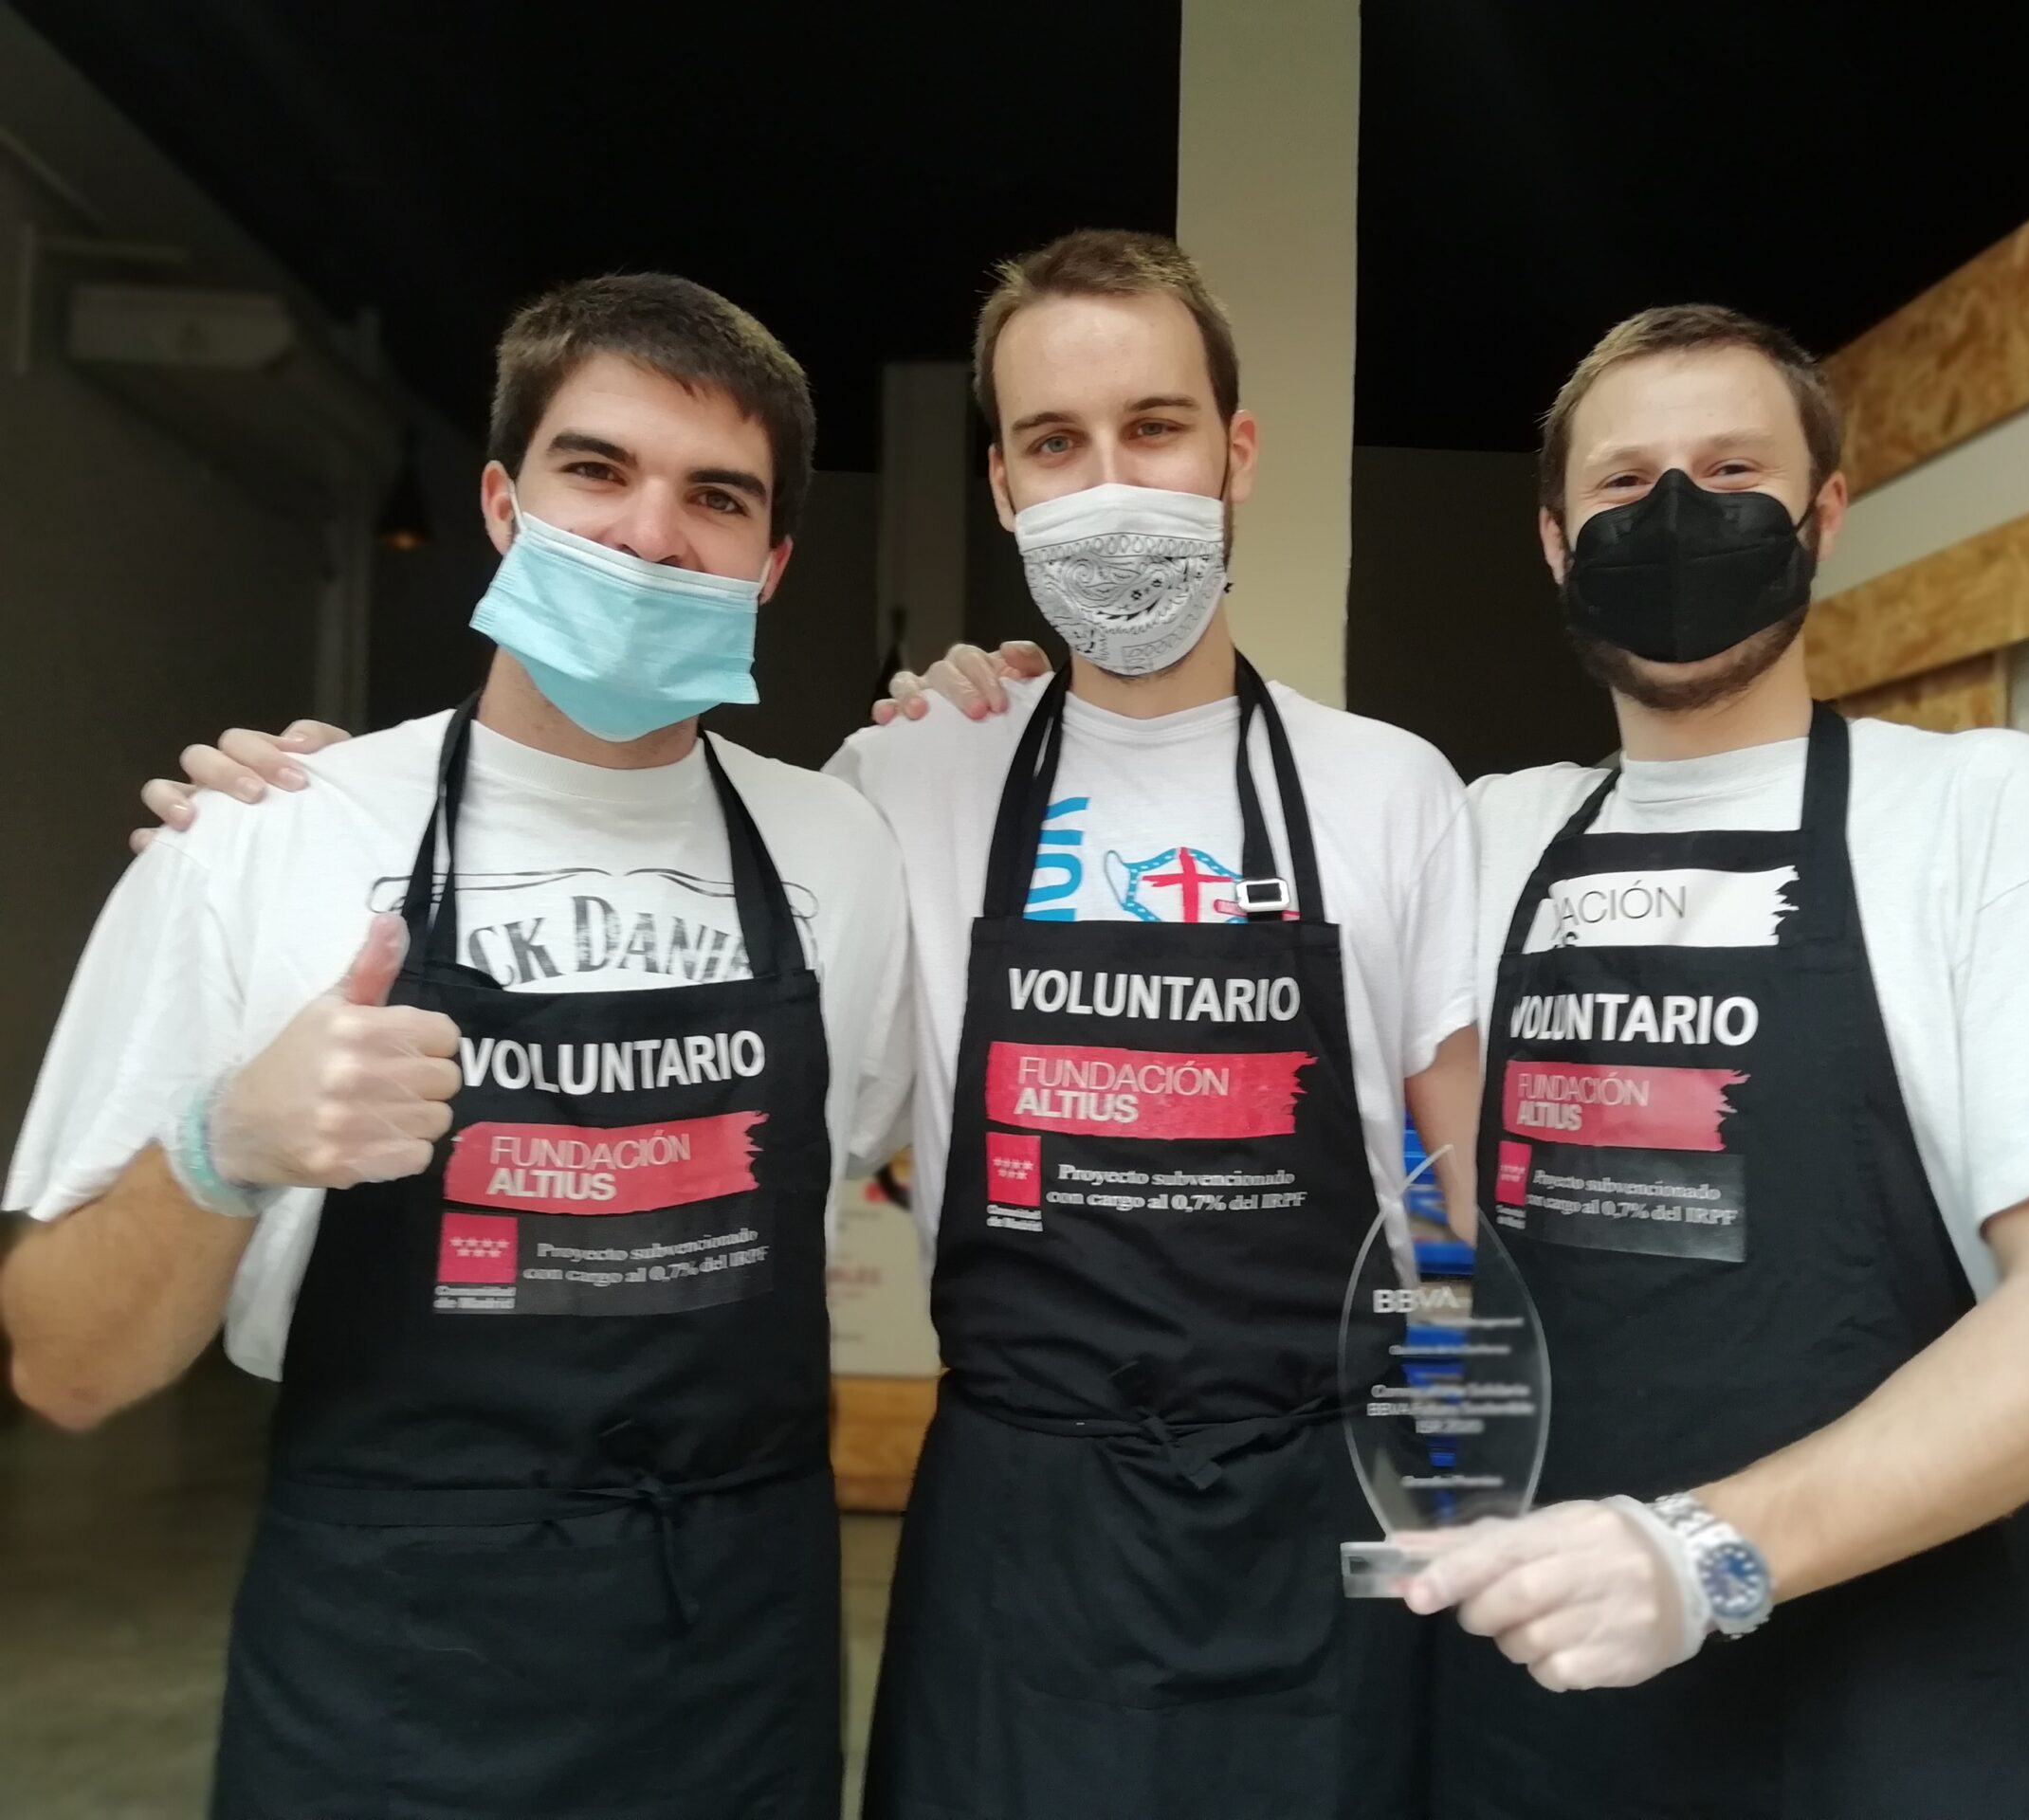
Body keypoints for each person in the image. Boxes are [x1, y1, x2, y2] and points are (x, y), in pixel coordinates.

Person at [127, 230, 1481, 1820]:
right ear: (1003, 488)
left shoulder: (1392, 789)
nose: (1110, 483)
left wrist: (1469, 1505)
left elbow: (1464, 1214)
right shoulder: (902, 783)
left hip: (1318, 1511)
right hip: (1019, 1525)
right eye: (1056, 442)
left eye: (1156, 428)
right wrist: (307, 807)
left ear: (1235, 453)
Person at [879, 302, 2029, 1818]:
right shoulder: (1482, 832)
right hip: (1516, 1698)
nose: (1674, 514)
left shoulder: (1980, 817)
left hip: (1861, 1707)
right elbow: (1415, 1200)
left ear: (1823, 513)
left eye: (1731, 470)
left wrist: (1708, 1554)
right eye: (1622, 483)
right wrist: (983, 722)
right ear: (1555, 542)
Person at [5, 274, 910, 1819]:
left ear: (770, 566)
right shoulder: (270, 842)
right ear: (502, 505)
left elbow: (869, 1158)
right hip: (391, 1679)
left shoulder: (845, 851)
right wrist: (224, 1146)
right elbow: (63, 1368)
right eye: (596, 470)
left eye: (716, 497)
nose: (649, 537)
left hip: (734, 1668)